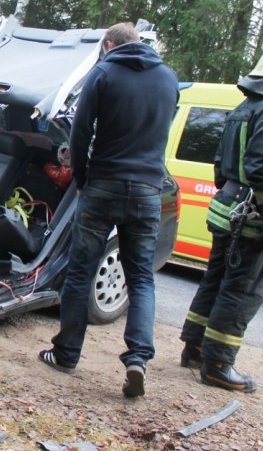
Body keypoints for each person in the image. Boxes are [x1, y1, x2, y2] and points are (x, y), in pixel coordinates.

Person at [39, 22, 178, 398]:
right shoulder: (168, 79)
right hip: (148, 190)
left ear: (109, 44)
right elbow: (160, 130)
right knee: (141, 278)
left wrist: (81, 177)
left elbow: (80, 133)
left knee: (80, 271)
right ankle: (138, 358)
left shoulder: (103, 72)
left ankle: (66, 353)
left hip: (103, 186)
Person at [179, 45, 263, 394]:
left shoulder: (242, 110)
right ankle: (218, 365)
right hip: (250, 216)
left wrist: (233, 192)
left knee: (216, 280)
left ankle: (196, 349)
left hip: (227, 207)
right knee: (242, 290)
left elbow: (220, 165)